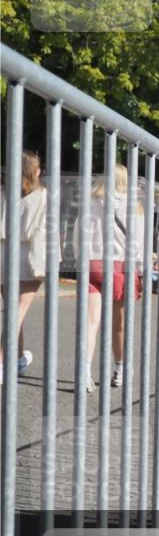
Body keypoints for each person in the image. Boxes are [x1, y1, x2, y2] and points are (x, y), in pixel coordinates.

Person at [75, 163, 146, 392]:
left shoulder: (90, 203)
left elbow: (78, 235)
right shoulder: (135, 208)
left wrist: (81, 261)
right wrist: (142, 272)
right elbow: (140, 245)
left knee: (91, 322)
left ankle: (84, 372)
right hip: (122, 267)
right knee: (119, 325)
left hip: (92, 263)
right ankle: (121, 369)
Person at [0, 151, 53, 381]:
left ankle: (19, 358)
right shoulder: (43, 196)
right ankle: (2, 360)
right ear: (34, 171)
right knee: (17, 312)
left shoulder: (3, 195)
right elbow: (45, 233)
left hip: (3, 254)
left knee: (13, 312)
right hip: (28, 256)